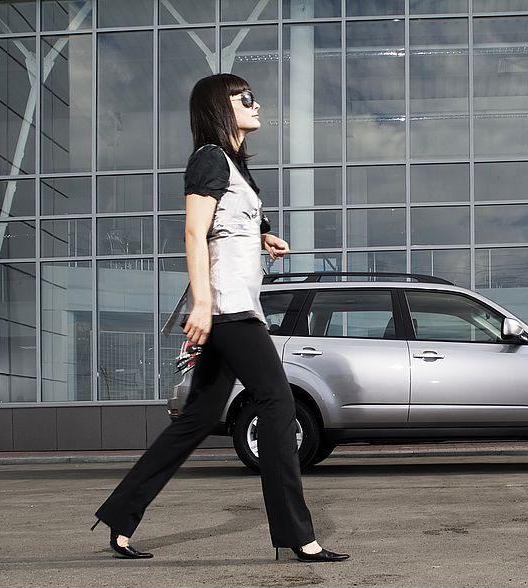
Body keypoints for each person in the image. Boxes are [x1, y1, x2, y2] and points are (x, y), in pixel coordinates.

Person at [91, 73, 349, 563]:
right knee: (277, 403)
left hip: (234, 305)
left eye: (254, 96)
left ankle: (120, 515)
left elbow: (227, 229)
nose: (256, 104)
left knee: (198, 418)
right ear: (219, 108)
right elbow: (194, 233)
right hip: (229, 309)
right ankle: (297, 535)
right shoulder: (210, 158)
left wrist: (262, 239)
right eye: (244, 98)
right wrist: (204, 305)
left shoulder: (235, 167)